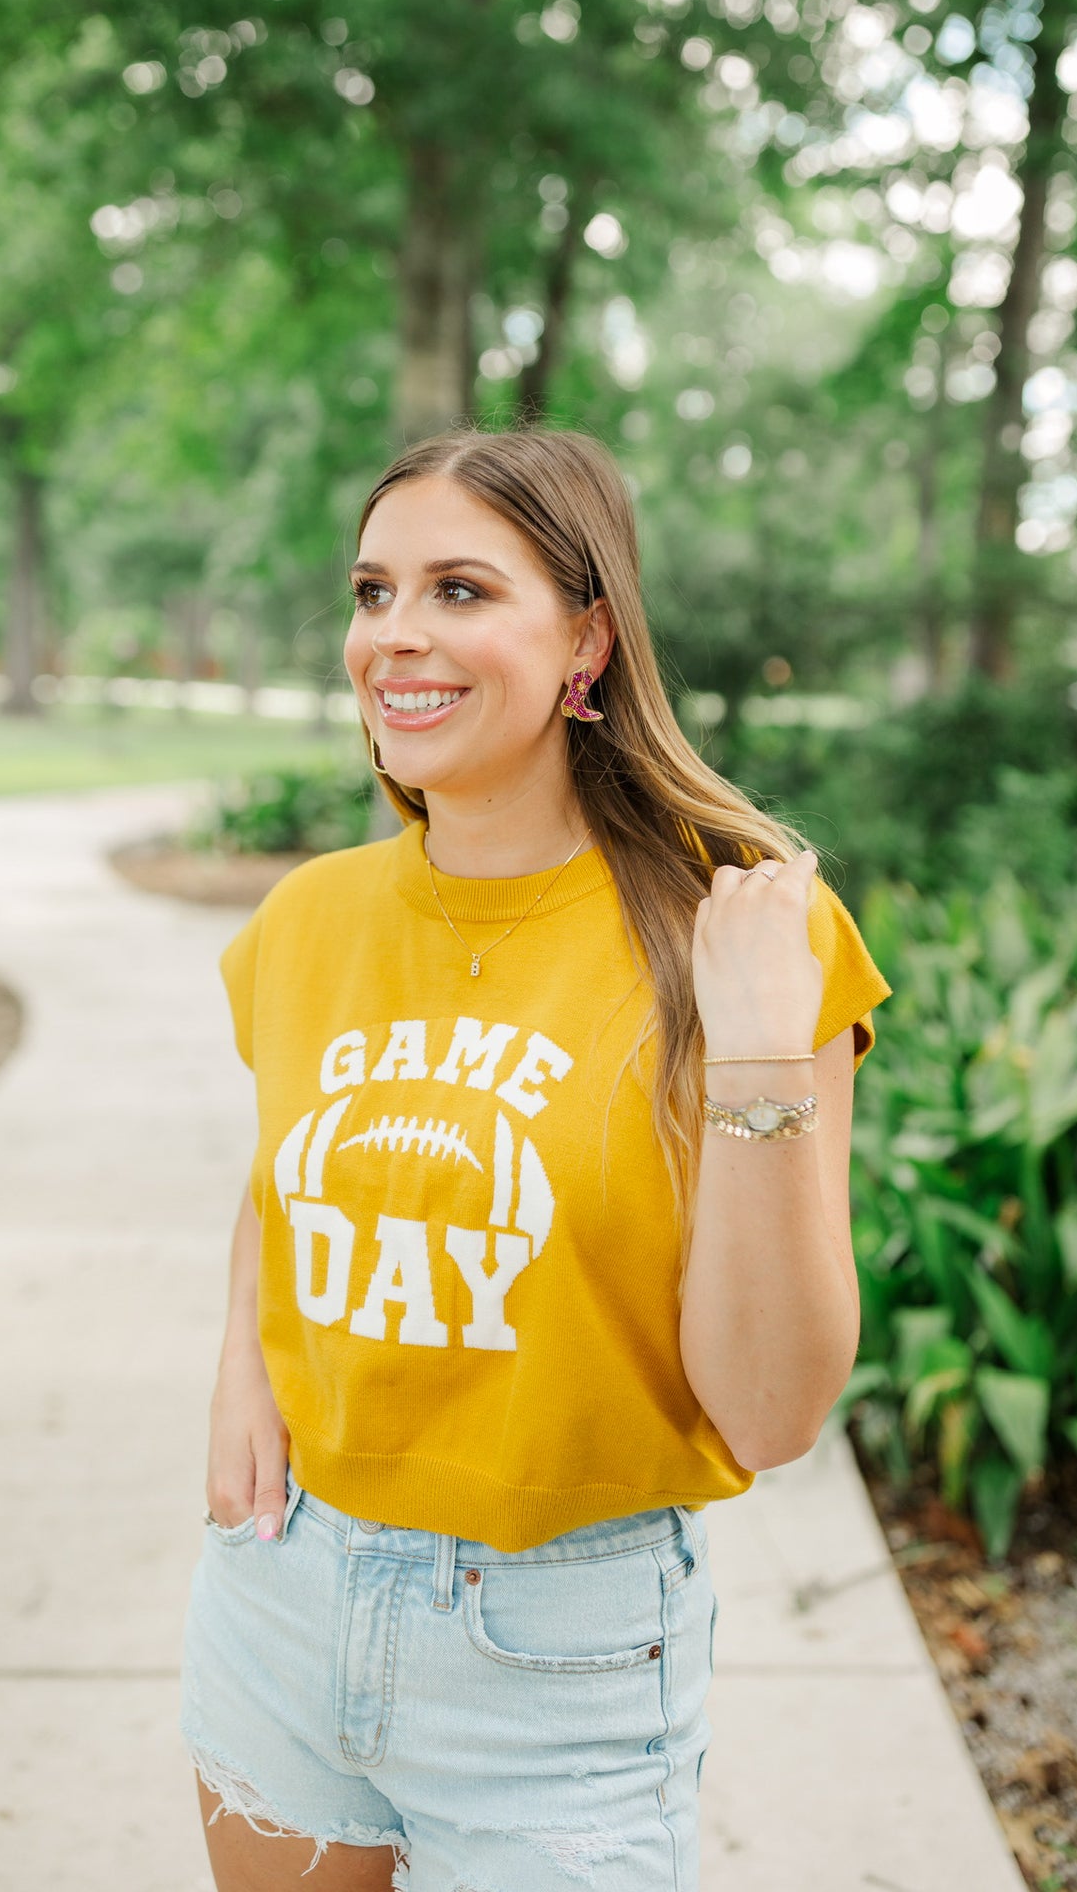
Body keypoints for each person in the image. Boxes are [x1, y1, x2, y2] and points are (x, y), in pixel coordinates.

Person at [180, 426, 892, 1892]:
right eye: (373, 593)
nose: (396, 638)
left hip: (558, 1655)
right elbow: (289, 1170)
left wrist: (759, 1054)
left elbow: (766, 1412)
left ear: (585, 639)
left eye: (458, 590)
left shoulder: (741, 939)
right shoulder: (310, 920)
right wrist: (241, 1364)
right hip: (279, 1597)